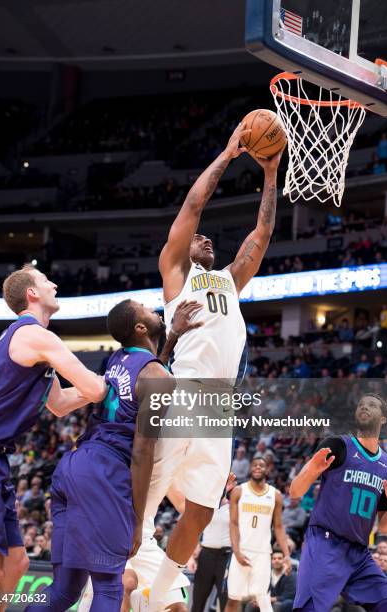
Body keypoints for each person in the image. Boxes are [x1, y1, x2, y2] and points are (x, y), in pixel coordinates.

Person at [133, 122, 285, 612]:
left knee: (200, 511)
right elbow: (192, 207)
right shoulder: (177, 274)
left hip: (218, 406)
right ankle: (114, 577)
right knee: (144, 503)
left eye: (207, 240)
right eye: (198, 240)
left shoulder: (228, 280)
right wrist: (227, 154)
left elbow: (260, 237)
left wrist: (270, 173)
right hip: (184, 392)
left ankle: (159, 596)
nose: (206, 240)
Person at [0, 265, 106, 608]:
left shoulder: (28, 341)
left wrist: (102, 386)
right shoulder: (35, 335)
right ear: (32, 293)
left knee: (17, 563)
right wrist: (117, 380)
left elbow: (62, 404)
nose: (54, 283)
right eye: (45, 281)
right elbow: (94, 389)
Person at [76, 301, 203, 612]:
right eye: (145, 309)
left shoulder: (121, 359)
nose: (154, 308)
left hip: (112, 484)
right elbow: (143, 451)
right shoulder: (155, 375)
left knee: (172, 602)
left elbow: (150, 376)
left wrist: (172, 337)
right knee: (120, 588)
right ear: (140, 328)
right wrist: (134, 521)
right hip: (121, 497)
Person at [291, 393, 387, 611]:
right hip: (326, 543)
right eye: (361, 404)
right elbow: (295, 491)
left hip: (359, 553)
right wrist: (311, 472)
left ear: (383, 418)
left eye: (372, 405)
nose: (364, 407)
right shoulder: (337, 445)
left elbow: (384, 527)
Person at [225, 457, 291, 612]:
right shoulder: (238, 491)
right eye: (254, 465)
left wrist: (287, 554)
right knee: (233, 599)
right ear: (250, 469)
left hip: (262, 553)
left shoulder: (275, 495)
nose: (258, 467)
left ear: (267, 469)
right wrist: (237, 551)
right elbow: (233, 524)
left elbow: (279, 527)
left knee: (263, 598)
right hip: (242, 550)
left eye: (261, 465)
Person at [191, 474, 237, 612]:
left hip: (226, 557)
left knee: (225, 602)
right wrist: (192, 556)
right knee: (198, 600)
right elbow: (194, 530)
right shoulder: (206, 507)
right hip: (206, 555)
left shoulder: (233, 508)